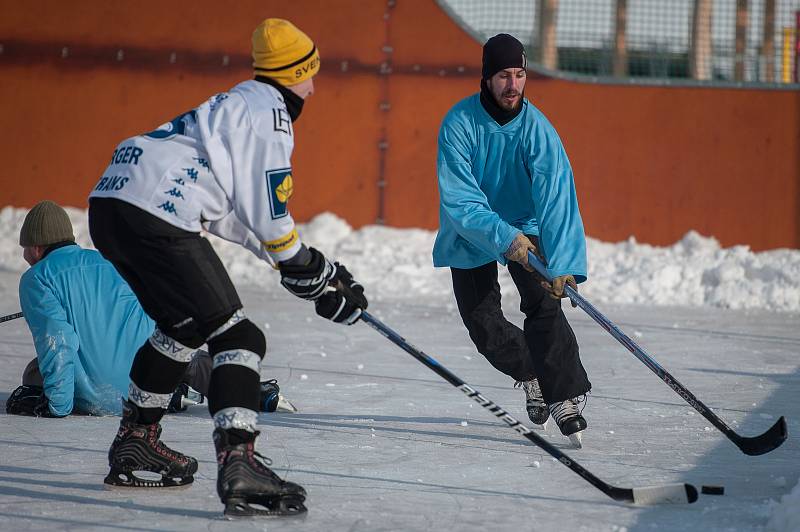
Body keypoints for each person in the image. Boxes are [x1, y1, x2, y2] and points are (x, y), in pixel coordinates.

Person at [87, 18, 367, 517]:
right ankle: (240, 463)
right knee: (241, 339)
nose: (314, 85)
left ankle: (136, 440)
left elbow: (231, 213)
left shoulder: (232, 104)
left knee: (180, 328)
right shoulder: (271, 112)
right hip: (156, 213)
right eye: (310, 74)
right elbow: (268, 208)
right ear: (293, 73)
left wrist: (307, 269)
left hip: (113, 202)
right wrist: (301, 264)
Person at [433, 34, 592, 445]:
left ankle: (564, 396)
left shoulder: (537, 129)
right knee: (482, 326)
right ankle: (531, 372)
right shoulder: (459, 124)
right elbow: (461, 199)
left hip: (528, 222)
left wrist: (565, 263)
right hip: (472, 229)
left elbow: (557, 197)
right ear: (487, 78)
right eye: (503, 75)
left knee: (543, 303)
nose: (513, 85)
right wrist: (504, 238)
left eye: (520, 75)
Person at [6, 201, 295, 418]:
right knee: (187, 357)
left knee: (35, 372)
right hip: (146, 380)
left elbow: (57, 341)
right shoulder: (106, 261)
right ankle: (253, 392)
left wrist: (58, 406)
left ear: (36, 247)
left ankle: (172, 395)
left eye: (25, 247)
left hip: (104, 397)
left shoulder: (37, 278)